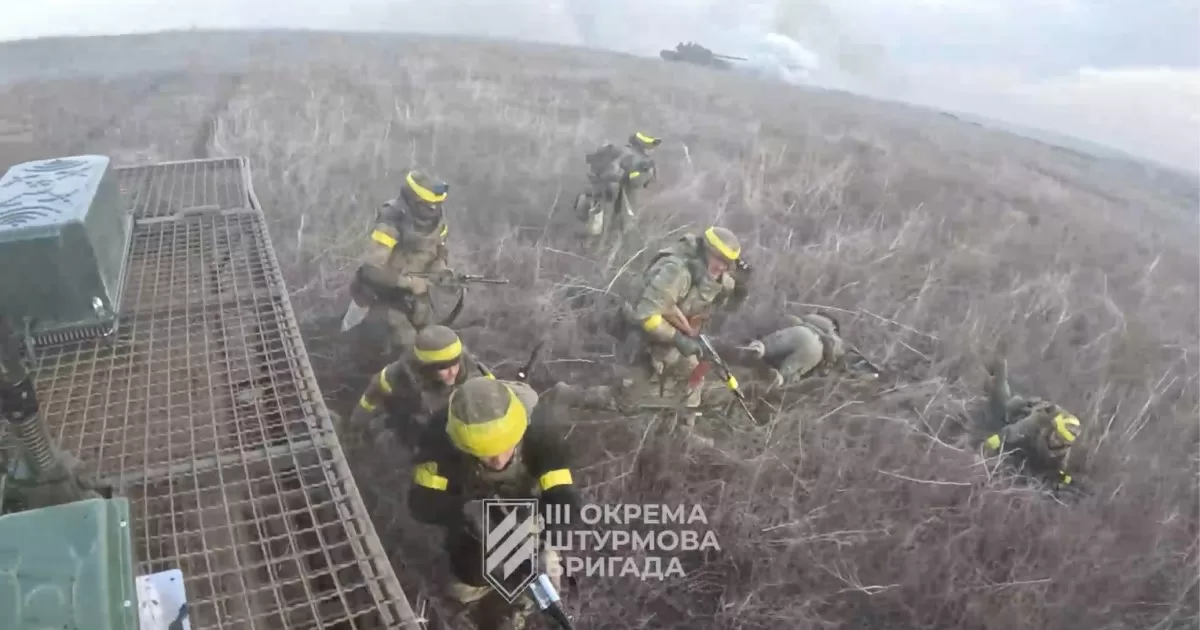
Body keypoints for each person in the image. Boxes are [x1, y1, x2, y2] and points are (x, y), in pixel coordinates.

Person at [407, 377, 582, 630]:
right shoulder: (438, 438)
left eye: (507, 447)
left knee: (531, 566)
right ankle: (468, 599)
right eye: (486, 454)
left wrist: (550, 545)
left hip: (527, 506)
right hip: (470, 507)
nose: (499, 461)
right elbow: (421, 501)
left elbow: (563, 497)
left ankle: (520, 603)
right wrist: (463, 510)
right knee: (468, 571)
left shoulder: (541, 432)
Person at [554, 226, 749, 411]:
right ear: (707, 252)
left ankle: (683, 425)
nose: (723, 268)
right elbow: (647, 316)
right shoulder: (676, 271)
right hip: (643, 332)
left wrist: (740, 291)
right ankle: (569, 395)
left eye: (728, 264)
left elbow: (724, 304)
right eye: (720, 260)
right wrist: (679, 340)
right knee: (626, 400)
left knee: (692, 377)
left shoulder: (714, 273)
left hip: (674, 331)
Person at [346, 169, 454, 357]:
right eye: (428, 205)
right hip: (380, 296)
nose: (433, 210)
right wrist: (410, 283)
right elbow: (372, 270)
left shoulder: (439, 222)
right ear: (414, 200)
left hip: (416, 298)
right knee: (406, 346)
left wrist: (442, 273)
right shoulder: (392, 219)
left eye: (437, 205)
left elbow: (438, 253)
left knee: (433, 340)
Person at [345, 325, 493, 442]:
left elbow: (494, 406)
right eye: (443, 367)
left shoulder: (477, 374)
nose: (453, 372)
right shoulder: (397, 376)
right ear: (427, 367)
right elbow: (370, 398)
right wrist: (355, 427)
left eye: (455, 363)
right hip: (411, 428)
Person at [978, 357, 1083, 490]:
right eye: (1056, 436)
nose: (1055, 440)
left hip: (1027, 445)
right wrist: (993, 442)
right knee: (1002, 405)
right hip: (1020, 413)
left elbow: (1060, 467)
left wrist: (1062, 480)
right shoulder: (1039, 420)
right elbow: (1015, 430)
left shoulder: (1062, 451)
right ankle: (999, 366)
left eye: (1060, 440)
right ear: (1054, 428)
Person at [733, 312, 882, 388]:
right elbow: (849, 362)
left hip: (799, 332)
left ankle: (758, 349)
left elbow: (788, 320)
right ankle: (778, 377)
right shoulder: (838, 345)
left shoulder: (811, 319)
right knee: (786, 375)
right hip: (814, 351)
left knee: (768, 345)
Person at [574, 132, 662, 250]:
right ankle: (596, 252)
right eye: (651, 146)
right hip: (614, 197)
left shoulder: (621, 151)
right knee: (613, 229)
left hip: (600, 192)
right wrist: (645, 172)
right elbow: (635, 182)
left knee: (596, 227)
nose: (652, 150)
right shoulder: (636, 158)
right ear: (643, 145)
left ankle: (586, 249)